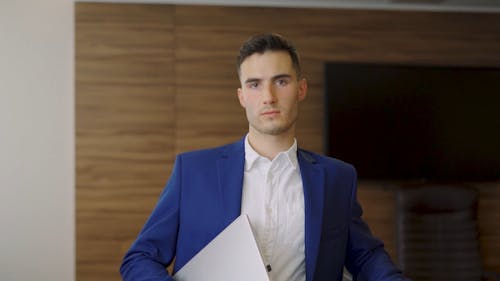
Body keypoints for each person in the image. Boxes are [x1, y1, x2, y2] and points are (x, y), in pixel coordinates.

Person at [120, 33, 409, 281]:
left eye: (281, 81)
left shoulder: (337, 178)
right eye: (254, 84)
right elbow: (140, 259)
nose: (268, 96)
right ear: (242, 96)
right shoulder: (193, 171)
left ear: (301, 89)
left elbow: (365, 257)